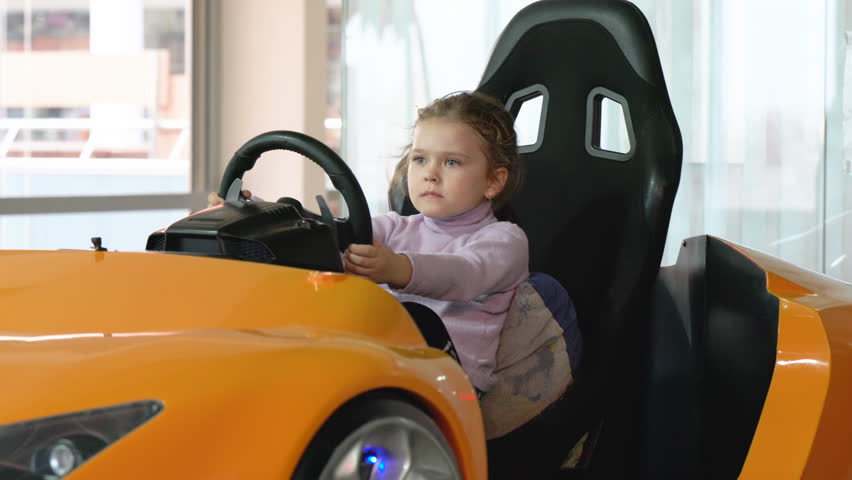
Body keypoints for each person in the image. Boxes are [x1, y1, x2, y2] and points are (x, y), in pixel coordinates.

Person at [342, 91, 529, 396]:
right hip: (383, 365)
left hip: (454, 384)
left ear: (493, 181)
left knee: (417, 320)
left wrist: (398, 267)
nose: (430, 174)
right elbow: (337, 236)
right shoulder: (392, 227)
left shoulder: (504, 241)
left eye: (452, 162)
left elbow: (465, 274)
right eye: (420, 159)